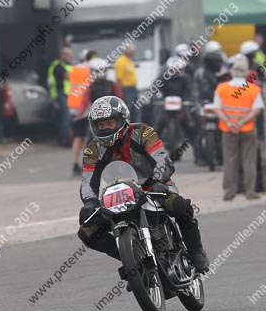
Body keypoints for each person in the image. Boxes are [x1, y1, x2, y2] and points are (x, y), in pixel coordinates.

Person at [77, 96, 209, 272]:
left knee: (180, 206)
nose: (105, 128)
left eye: (109, 123)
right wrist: (90, 202)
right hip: (119, 196)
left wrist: (158, 181)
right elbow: (87, 181)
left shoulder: (143, 132)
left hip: (153, 188)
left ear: (122, 120)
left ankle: (196, 251)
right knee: (87, 232)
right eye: (101, 125)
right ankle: (134, 258)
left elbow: (161, 160)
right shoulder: (92, 149)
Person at [212, 56, 264, 201]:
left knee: (230, 161)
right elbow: (257, 109)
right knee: (249, 161)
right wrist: (241, 123)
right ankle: (250, 191)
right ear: (247, 73)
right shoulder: (253, 89)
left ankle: (229, 192)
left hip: (228, 130)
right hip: (248, 130)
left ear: (232, 72)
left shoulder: (222, 88)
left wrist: (230, 123)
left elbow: (217, 108)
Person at [68, 49, 97, 176]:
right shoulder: (90, 69)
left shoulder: (74, 69)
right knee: (87, 137)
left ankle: (75, 164)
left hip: (74, 106)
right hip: (85, 108)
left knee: (77, 137)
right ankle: (87, 165)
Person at [48, 47, 73, 147]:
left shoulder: (67, 66)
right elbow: (68, 76)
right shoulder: (58, 66)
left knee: (67, 117)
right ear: (63, 55)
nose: (70, 58)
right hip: (61, 94)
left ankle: (67, 138)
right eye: (68, 55)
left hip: (69, 95)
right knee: (66, 117)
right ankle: (65, 140)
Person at [114, 42, 139, 122]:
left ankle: (136, 126)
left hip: (133, 89)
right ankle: (127, 125)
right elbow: (119, 79)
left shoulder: (129, 61)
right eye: (133, 52)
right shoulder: (121, 62)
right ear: (129, 52)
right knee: (128, 109)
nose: (134, 53)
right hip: (126, 89)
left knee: (135, 109)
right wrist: (119, 92)